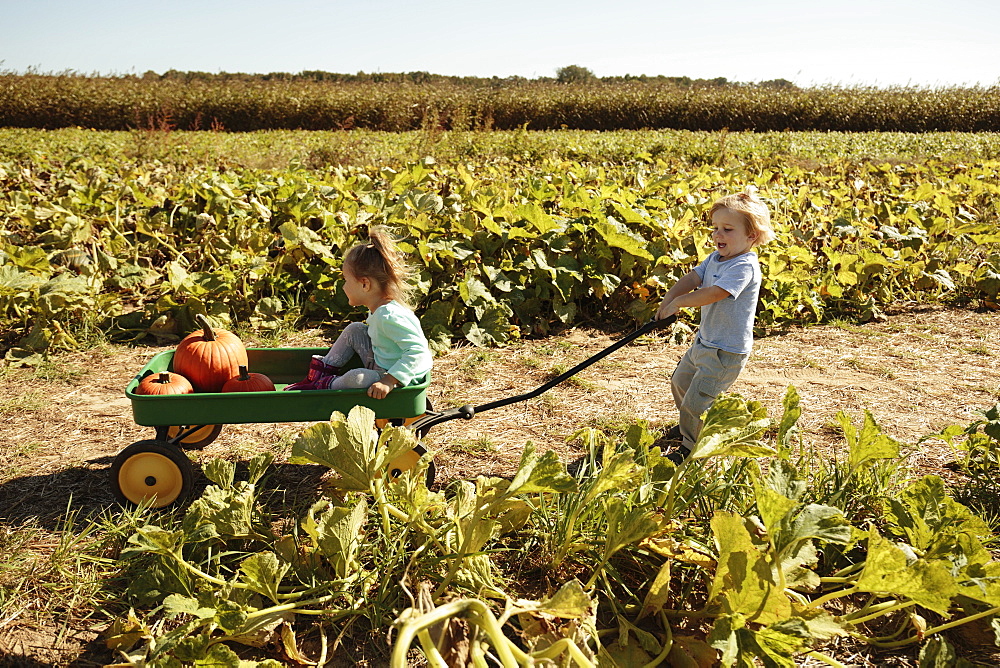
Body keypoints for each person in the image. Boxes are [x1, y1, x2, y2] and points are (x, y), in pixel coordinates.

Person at [655, 188, 776, 462]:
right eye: (716, 228)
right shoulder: (715, 259)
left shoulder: (744, 266)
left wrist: (681, 303)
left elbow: (715, 293)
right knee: (681, 382)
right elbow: (693, 277)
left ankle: (692, 448)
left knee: (697, 402)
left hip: (726, 351)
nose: (718, 235)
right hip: (705, 341)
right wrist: (669, 297)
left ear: (751, 236)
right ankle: (690, 427)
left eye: (728, 229)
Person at [284, 227, 432, 398]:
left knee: (358, 378)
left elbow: (419, 353)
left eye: (346, 280)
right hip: (381, 364)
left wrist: (389, 381)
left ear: (364, 284)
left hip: (395, 378)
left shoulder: (389, 316)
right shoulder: (379, 309)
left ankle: (325, 385)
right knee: (355, 329)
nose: (344, 286)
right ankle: (320, 373)